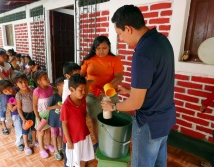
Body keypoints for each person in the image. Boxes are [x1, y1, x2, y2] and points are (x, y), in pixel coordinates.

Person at [101, 5, 176, 167]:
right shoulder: (162, 41)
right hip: (166, 117)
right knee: (158, 162)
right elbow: (159, 82)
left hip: (149, 123)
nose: (121, 39)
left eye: (120, 34)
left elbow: (135, 103)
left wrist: (112, 106)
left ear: (128, 29)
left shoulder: (142, 53)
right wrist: (130, 90)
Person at [80, 35, 124, 148]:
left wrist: (108, 88)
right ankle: (99, 143)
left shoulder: (115, 60)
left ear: (109, 47)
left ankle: (111, 142)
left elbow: (119, 77)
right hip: (91, 94)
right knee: (95, 120)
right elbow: (80, 77)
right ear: (94, 48)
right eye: (98, 48)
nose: (101, 51)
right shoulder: (88, 60)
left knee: (111, 119)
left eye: (104, 48)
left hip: (109, 94)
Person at [60, 74, 94, 167]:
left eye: (84, 89)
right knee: (75, 161)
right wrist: (69, 141)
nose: (83, 92)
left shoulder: (82, 100)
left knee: (84, 158)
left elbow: (83, 114)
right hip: (73, 139)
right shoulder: (66, 106)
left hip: (84, 135)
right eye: (81, 90)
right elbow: (64, 124)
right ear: (71, 89)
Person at [0, 48, 14, 135]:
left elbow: (13, 74)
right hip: (2, 91)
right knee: (3, 108)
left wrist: (17, 79)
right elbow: (4, 78)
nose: (5, 57)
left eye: (5, 55)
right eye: (3, 55)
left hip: (10, 89)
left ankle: (13, 121)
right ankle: (4, 125)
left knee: (13, 105)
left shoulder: (7, 64)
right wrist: (14, 82)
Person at [62, 61, 81, 167]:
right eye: (76, 75)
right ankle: (68, 164)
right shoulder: (68, 86)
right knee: (68, 143)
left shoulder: (72, 83)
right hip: (67, 120)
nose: (79, 77)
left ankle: (75, 162)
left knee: (73, 143)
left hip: (73, 119)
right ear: (68, 76)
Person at [13, 72, 37, 155]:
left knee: (34, 128)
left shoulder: (32, 89)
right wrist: (23, 119)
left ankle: (34, 141)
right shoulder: (18, 95)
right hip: (25, 115)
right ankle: (26, 145)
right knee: (25, 130)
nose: (24, 84)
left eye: (25, 81)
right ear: (16, 85)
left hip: (33, 113)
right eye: (20, 82)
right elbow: (19, 108)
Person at [0, 79, 24, 151]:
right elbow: (12, 109)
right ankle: (19, 143)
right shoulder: (7, 97)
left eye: (9, 88)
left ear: (11, 86)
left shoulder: (17, 89)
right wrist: (19, 103)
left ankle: (28, 139)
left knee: (26, 127)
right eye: (5, 91)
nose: (9, 91)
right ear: (2, 92)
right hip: (16, 115)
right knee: (19, 129)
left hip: (24, 112)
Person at [32, 70, 54, 158]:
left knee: (48, 130)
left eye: (47, 77)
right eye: (45, 78)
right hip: (41, 115)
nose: (48, 79)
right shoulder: (37, 91)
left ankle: (48, 144)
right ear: (39, 82)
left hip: (50, 113)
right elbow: (34, 105)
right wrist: (37, 117)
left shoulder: (50, 88)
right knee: (41, 132)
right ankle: (41, 148)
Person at [47, 76, 65, 161]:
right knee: (54, 135)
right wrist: (55, 106)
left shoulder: (65, 96)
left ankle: (61, 147)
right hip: (54, 120)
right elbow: (47, 108)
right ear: (58, 87)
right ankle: (56, 150)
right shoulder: (54, 97)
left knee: (61, 134)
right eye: (64, 85)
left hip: (61, 120)